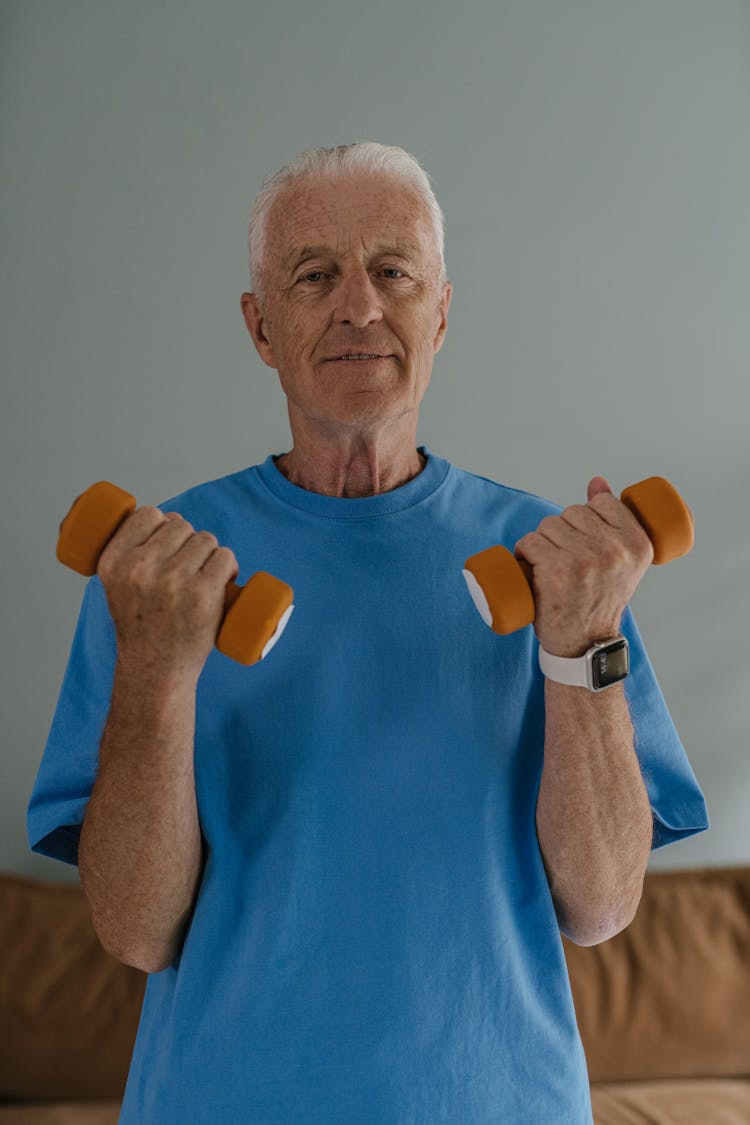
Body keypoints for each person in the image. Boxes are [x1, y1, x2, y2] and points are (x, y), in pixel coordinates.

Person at [28, 142, 709, 1125]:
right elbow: (138, 932)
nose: (359, 307)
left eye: (394, 272)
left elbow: (599, 909)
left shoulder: (562, 568)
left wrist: (582, 641)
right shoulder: (157, 578)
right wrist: (158, 672)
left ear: (442, 311)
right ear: (261, 327)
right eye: (315, 275)